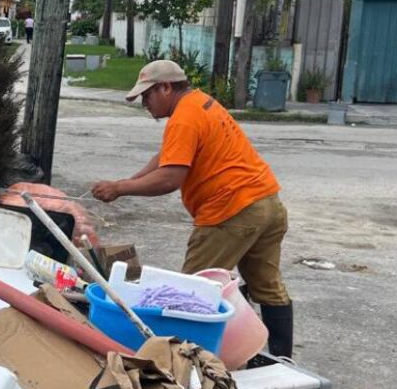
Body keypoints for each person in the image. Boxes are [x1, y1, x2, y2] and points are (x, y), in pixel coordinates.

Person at [90, 60, 293, 358]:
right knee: (268, 287)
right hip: (266, 203)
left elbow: (171, 178)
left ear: (166, 87)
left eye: (147, 95)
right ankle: (282, 360)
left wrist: (120, 188)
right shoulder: (200, 103)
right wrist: (129, 182)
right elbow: (167, 156)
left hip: (230, 211)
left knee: (190, 296)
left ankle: (194, 368)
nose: (145, 104)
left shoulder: (184, 117)